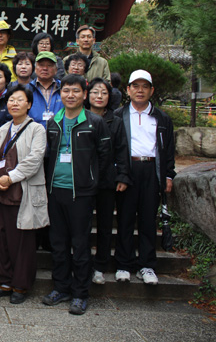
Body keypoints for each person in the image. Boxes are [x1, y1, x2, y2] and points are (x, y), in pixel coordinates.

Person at [42, 74, 111, 315]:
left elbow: (104, 157)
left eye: (75, 91)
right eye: (66, 91)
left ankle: (80, 293)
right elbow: (49, 155)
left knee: (80, 244)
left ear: (84, 94)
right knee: (58, 243)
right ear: (60, 94)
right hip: (55, 190)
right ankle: (61, 287)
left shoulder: (95, 122)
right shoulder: (54, 121)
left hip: (81, 193)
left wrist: (92, 183)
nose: (70, 95)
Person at [114, 69, 175, 285]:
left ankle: (147, 265)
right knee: (125, 218)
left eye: (145, 87)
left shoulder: (162, 118)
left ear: (152, 90)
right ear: (128, 90)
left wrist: (169, 175)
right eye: (136, 86)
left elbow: (168, 149)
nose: (140, 91)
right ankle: (123, 264)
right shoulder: (119, 115)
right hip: (128, 170)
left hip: (152, 170)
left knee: (148, 220)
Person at [0, 84, 48, 304]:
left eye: (20, 100)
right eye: (11, 100)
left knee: (21, 243)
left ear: (29, 104)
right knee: (0, 238)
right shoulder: (2, 129)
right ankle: (3, 282)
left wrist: (10, 178)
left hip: (22, 191)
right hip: (1, 191)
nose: (14, 103)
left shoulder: (37, 130)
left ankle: (20, 286)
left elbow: (34, 159)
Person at [86, 78, 131, 285]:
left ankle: (100, 266)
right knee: (83, 225)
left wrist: (122, 175)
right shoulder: (80, 116)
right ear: (87, 95)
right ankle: (83, 263)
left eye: (104, 93)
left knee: (105, 225)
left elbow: (122, 150)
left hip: (107, 179)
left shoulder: (116, 121)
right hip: (83, 178)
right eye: (95, 92)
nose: (99, 96)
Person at [27, 51, 63, 129]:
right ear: (35, 69)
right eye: (41, 65)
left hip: (59, 132)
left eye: (49, 65)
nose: (45, 68)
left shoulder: (63, 88)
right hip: (33, 133)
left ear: (56, 70)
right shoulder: (27, 89)